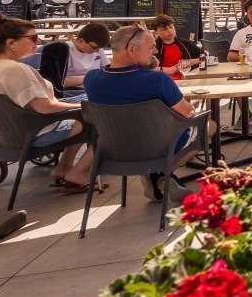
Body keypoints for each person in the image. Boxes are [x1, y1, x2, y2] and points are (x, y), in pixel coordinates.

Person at [0, 16, 94, 190]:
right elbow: (45, 107)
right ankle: (78, 173)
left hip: (10, 132)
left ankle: (64, 168)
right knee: (104, 120)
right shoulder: (14, 69)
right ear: (11, 42)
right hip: (35, 133)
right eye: (33, 38)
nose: (39, 41)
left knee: (89, 104)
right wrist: (82, 107)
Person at [84, 25, 202, 197]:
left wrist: (146, 66)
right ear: (131, 49)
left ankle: (155, 177)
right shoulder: (158, 80)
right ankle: (161, 174)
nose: (154, 51)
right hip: (158, 148)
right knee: (208, 125)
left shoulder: (92, 79)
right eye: (151, 47)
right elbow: (188, 113)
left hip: (115, 151)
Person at [61, 22, 111, 98]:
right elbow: (60, 82)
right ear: (81, 41)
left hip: (95, 86)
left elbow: (107, 67)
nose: (97, 51)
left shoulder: (97, 48)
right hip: (75, 90)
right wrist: (90, 79)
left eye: (100, 48)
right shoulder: (66, 51)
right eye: (94, 47)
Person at [149, 14, 204, 80]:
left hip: (188, 78)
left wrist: (190, 62)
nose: (169, 31)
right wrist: (170, 70)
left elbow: (204, 57)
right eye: (164, 29)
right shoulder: (152, 48)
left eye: (171, 27)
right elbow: (147, 68)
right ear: (156, 32)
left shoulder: (186, 43)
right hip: (164, 81)